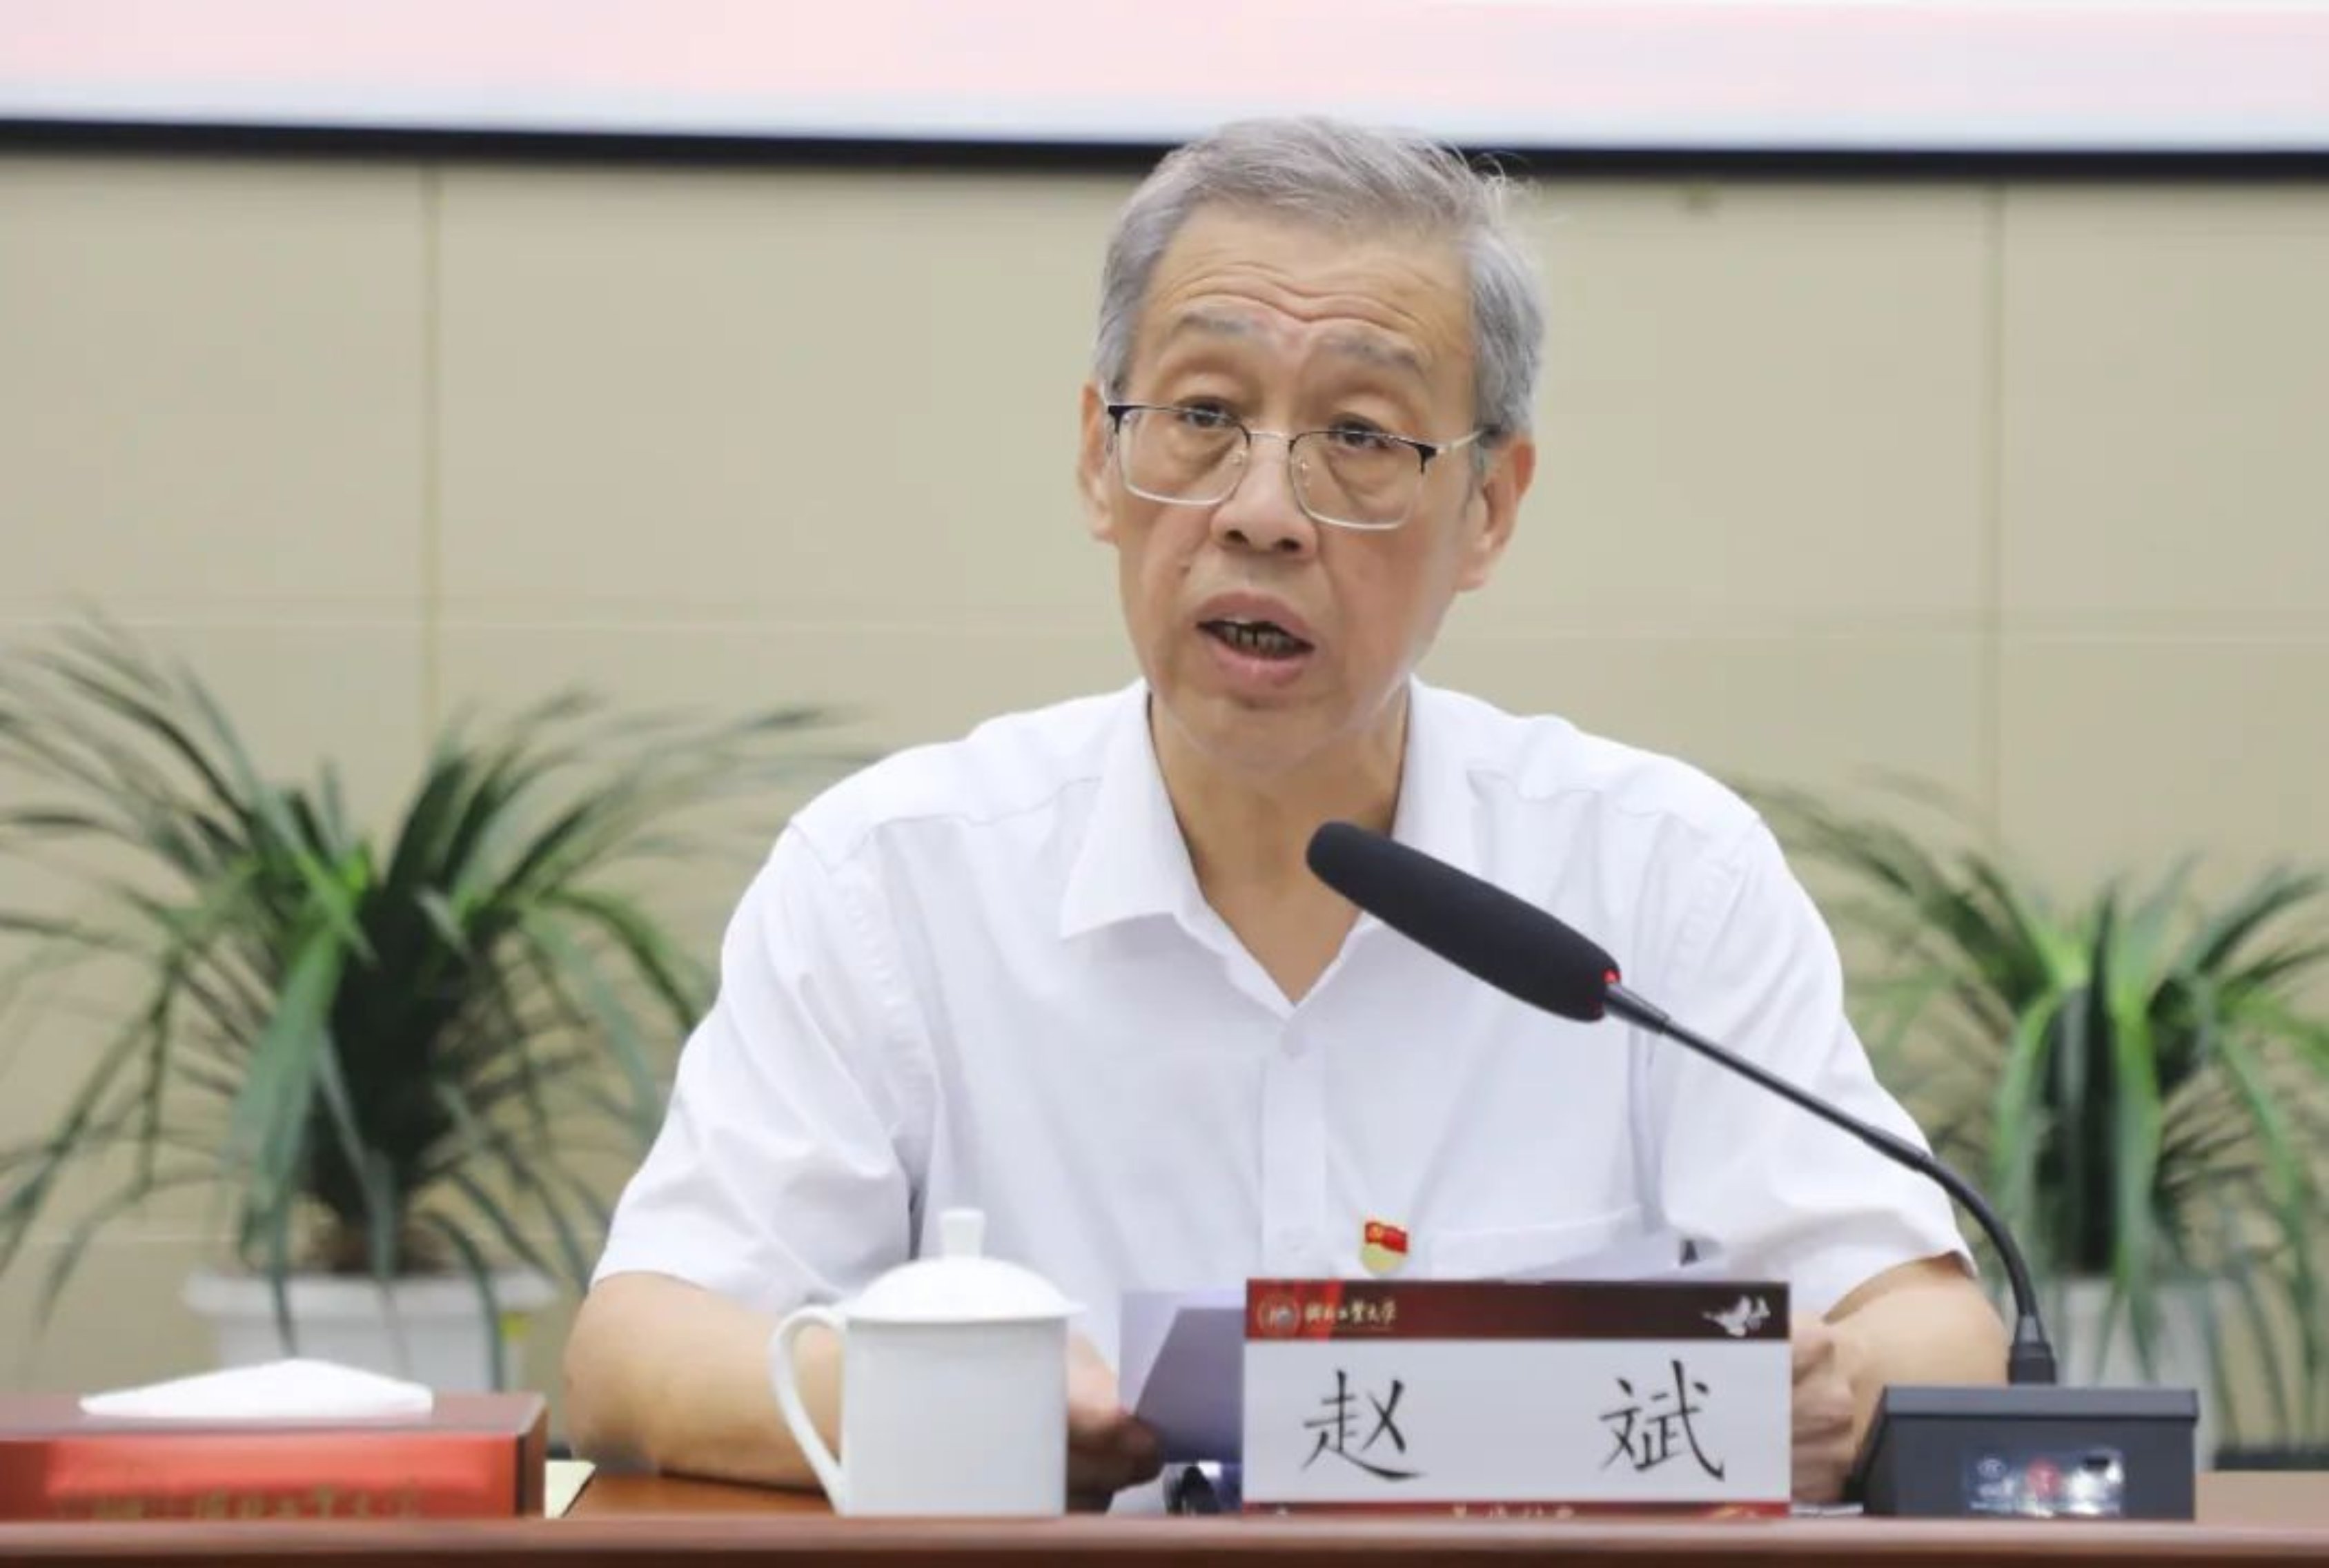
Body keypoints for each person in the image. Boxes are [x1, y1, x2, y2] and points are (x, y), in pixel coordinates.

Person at [562, 116, 2005, 1509]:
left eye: (1360, 436)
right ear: (1099, 457)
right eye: (1202, 416)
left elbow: (1933, 1333)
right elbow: (635, 1354)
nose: (1262, 509)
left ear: (1489, 508)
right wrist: (943, 1401)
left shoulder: (1656, 875)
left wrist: (1807, 1398)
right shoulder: (893, 879)